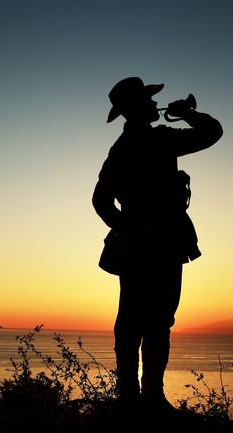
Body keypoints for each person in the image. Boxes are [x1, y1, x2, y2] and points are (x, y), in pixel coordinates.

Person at [92, 77, 223, 412]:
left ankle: (133, 397)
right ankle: (149, 397)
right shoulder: (160, 139)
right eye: (148, 101)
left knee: (134, 320)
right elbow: (212, 132)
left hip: (139, 245)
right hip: (164, 242)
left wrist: (128, 228)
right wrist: (188, 114)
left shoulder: (120, 149)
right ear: (137, 107)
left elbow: (101, 200)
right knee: (157, 320)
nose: (155, 105)